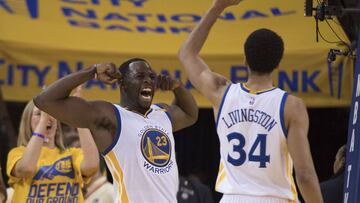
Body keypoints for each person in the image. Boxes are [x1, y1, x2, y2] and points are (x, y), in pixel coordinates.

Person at [178, 0, 324, 202]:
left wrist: (218, 7)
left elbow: (186, 53)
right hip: (274, 198)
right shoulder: (291, 106)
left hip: (232, 198)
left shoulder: (221, 94)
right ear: (278, 64)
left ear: (244, 59)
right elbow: (305, 175)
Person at [33, 58, 198, 202]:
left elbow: (190, 114)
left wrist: (178, 87)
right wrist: (93, 71)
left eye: (151, 77)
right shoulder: (110, 116)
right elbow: (44, 100)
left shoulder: (162, 113)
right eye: (140, 76)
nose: (148, 81)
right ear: (123, 83)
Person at [6, 100, 99, 203]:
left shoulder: (72, 154)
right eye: (38, 114)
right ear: (28, 122)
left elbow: (92, 166)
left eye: (51, 113)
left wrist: (80, 118)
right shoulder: (17, 153)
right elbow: (26, 169)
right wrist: (42, 124)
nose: (46, 117)